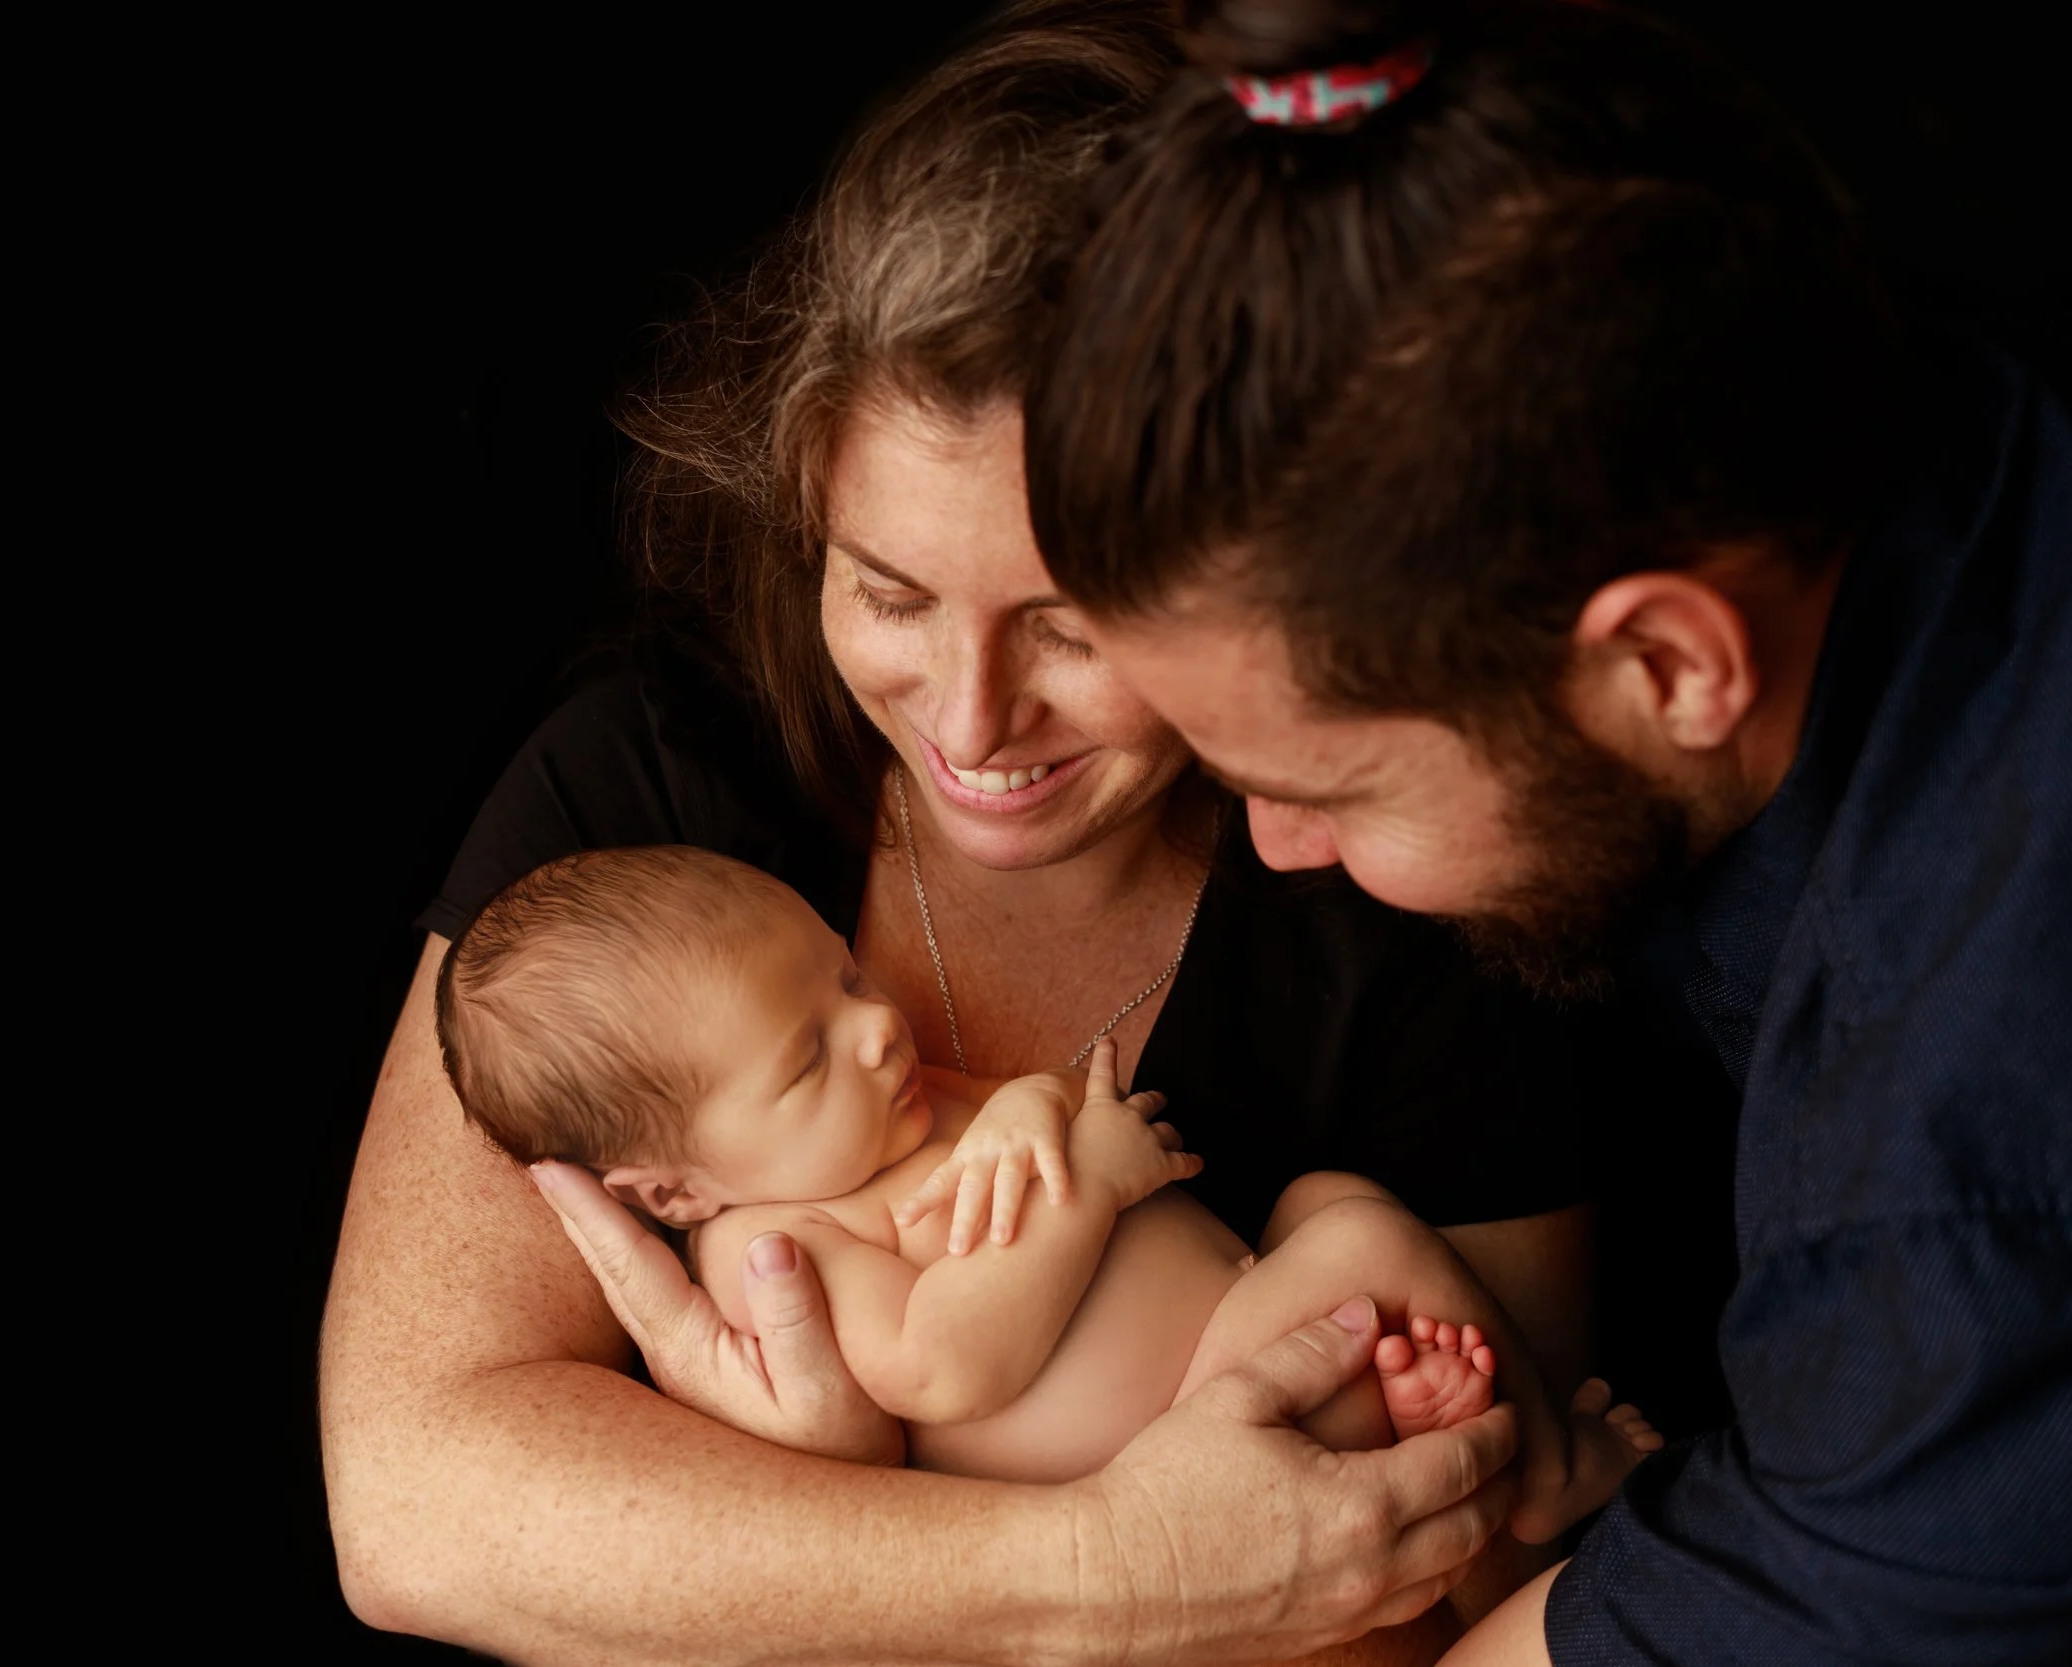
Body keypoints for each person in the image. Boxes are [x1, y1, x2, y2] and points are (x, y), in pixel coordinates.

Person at [322, 5, 1628, 1660]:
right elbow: (422, 1499)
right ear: (807, 503)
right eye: (889, 591)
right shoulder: (649, 810)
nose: (970, 714)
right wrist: (1114, 1567)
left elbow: (1458, 1580)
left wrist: (786, 1545)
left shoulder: (1412, 871)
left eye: (1072, 625)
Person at [1025, 0, 2072, 1662]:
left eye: (1331, 787)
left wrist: (1114, 1584)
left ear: (1669, 664)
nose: (1273, 846)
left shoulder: (2007, 1220)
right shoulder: (1743, 309)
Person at [433, 843, 1662, 1495]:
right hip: (1183, 1436)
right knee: (1359, 1237)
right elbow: (946, 1362)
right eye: (807, 1055)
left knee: (1321, 1202)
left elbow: (1048, 1096)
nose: (876, 1028)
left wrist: (1029, 1106)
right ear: (676, 1189)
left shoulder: (894, 1107)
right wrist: (1094, 1190)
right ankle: (1547, 1471)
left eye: (845, 974)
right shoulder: (776, 1249)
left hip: (1259, 1317)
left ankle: (1444, 1439)